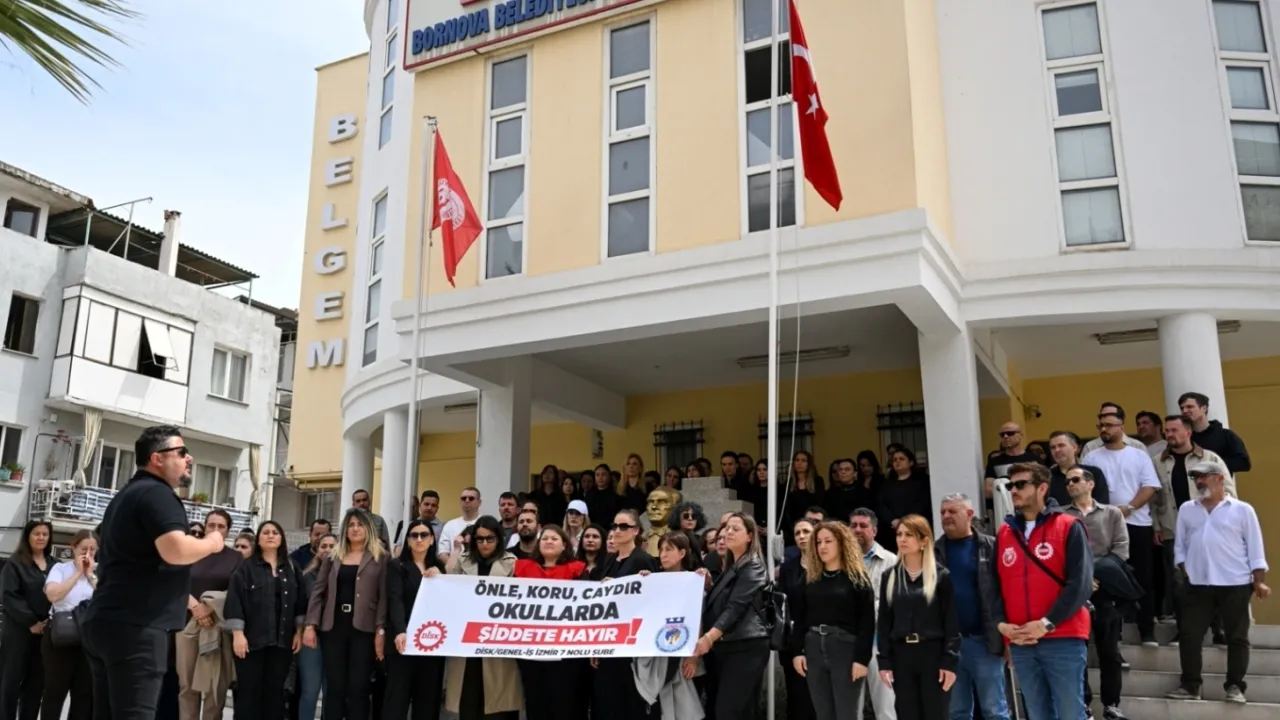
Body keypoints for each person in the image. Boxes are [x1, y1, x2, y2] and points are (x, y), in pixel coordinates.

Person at [81, 425, 227, 720]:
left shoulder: (127, 495)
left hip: (109, 621)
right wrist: (213, 542)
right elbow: (176, 550)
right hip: (136, 626)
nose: (189, 458)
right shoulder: (157, 494)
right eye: (182, 452)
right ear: (157, 458)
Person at [991, 463, 1093, 720]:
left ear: (1042, 488)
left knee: (1070, 714)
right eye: (1011, 485)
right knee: (1037, 714)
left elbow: (1080, 584)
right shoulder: (1005, 532)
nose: (1013, 490)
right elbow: (993, 584)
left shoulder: (1069, 525)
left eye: (1021, 484)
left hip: (1063, 638)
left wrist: (1046, 623)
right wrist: (1002, 625)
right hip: (1021, 640)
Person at [1166, 460, 1270, 703]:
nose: (1199, 481)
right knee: (1190, 635)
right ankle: (1190, 685)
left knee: (1237, 637)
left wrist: (1259, 581)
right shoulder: (1187, 509)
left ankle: (1235, 686)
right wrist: (1185, 571)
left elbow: (1255, 548)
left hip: (1235, 582)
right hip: (1198, 584)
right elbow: (1180, 546)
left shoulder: (1242, 509)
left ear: (1220, 478)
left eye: (1204, 476)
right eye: (1196, 477)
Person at [1083, 411, 1162, 647]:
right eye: (1100, 425)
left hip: (1137, 523)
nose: (1103, 429)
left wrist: (1129, 508)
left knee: (1143, 577)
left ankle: (1146, 630)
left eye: (1108, 425)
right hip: (1103, 526)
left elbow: (1150, 486)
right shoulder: (1092, 457)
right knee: (1107, 578)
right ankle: (1113, 632)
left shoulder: (1138, 455)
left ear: (1121, 427)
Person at [304, 508, 388, 720]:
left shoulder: (381, 557)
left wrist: (381, 629)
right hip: (334, 627)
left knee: (358, 687)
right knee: (335, 687)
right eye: (351, 525)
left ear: (368, 528)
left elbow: (384, 596)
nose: (355, 529)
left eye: (360, 524)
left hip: (364, 629)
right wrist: (310, 625)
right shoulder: (333, 556)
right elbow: (318, 591)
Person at [1062, 466, 1132, 720]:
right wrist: (1082, 579)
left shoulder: (1112, 513)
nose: (1070, 484)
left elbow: (1121, 549)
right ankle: (1083, 704)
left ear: (1090, 484)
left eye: (1075, 479)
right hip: (1074, 590)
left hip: (1105, 589)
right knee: (1076, 650)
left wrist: (1097, 576)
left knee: (1109, 651)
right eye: (1067, 481)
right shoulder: (1061, 516)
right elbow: (1059, 554)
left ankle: (1112, 704)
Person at [877, 515, 960, 720]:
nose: (902, 539)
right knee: (906, 713)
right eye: (899, 534)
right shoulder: (890, 576)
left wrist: (949, 661)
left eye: (909, 535)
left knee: (935, 713)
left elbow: (951, 622)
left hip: (932, 653)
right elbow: (885, 622)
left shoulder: (941, 576)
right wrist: (884, 661)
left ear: (924, 540)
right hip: (901, 655)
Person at [791, 521, 875, 720]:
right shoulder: (809, 579)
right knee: (823, 714)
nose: (822, 546)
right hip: (813, 646)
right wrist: (797, 652)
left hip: (845, 647)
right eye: (818, 542)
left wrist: (862, 659)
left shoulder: (858, 579)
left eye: (828, 541)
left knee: (847, 714)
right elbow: (799, 618)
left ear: (841, 543)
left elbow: (867, 622)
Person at [934, 495, 1008, 720]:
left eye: (952, 511)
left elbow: (1004, 593)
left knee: (995, 711)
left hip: (984, 642)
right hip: (948, 646)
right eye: (943, 512)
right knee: (956, 712)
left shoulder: (991, 546)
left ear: (969, 514)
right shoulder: (933, 551)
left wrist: (1007, 640)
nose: (946, 516)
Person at [225, 521, 304, 720]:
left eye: (275, 532)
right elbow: (234, 600)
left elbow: (300, 601)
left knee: (275, 692)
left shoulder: (292, 567)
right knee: (248, 691)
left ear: (281, 538)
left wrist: (299, 631)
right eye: (265, 532)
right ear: (258, 540)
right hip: (251, 640)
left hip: (282, 641)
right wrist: (238, 634)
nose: (270, 535)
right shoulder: (246, 568)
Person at [696, 512, 770, 720]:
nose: (728, 532)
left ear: (750, 536)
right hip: (728, 647)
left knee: (728, 711)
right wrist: (709, 586)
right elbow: (720, 604)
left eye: (735, 529)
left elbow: (735, 608)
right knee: (739, 711)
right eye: (727, 528)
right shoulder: (732, 566)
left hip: (746, 647)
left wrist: (708, 638)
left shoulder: (753, 566)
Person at [445, 516, 521, 720]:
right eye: (480, 539)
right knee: (468, 699)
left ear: (498, 539)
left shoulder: (512, 562)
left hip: (497, 641)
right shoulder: (463, 560)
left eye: (490, 539)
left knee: (498, 704)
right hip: (467, 641)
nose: (485, 543)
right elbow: (447, 586)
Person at [592, 510, 659, 719]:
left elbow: (652, 601)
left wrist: (621, 586)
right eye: (615, 526)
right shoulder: (610, 560)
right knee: (607, 701)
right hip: (609, 641)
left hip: (631, 645)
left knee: (629, 703)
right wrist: (596, 645)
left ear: (636, 531)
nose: (617, 531)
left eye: (623, 526)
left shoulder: (643, 560)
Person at [515, 525, 587, 720]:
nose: (548, 541)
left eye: (554, 539)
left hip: (566, 651)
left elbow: (590, 603)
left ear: (564, 545)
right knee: (535, 699)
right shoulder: (523, 569)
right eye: (545, 538)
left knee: (565, 700)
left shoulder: (577, 570)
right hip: (531, 649)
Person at [177, 509, 242, 720]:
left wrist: (209, 606)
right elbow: (175, 582)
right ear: (205, 527)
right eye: (211, 525)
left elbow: (237, 591)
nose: (215, 529)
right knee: (187, 686)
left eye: (221, 526)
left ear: (228, 531)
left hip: (218, 627)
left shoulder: (236, 558)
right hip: (187, 624)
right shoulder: (191, 552)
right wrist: (195, 607)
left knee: (215, 687)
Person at [385, 520, 446, 720]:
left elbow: (447, 603)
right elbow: (395, 600)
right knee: (397, 700)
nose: (419, 539)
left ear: (432, 539)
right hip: (404, 642)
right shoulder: (396, 566)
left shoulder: (439, 568)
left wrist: (441, 579)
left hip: (431, 644)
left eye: (424, 535)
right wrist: (400, 631)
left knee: (427, 702)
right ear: (408, 540)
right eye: (414, 535)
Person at [0, 520, 54, 720]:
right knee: (10, 682)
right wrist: (31, 622)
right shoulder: (15, 564)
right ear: (27, 536)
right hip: (18, 632)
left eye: (45, 534)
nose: (41, 538)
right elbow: (9, 596)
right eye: (36, 534)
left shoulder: (55, 565)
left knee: (36, 684)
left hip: (44, 634)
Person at [41, 529, 97, 720]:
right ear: (73, 547)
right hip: (61, 636)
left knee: (84, 694)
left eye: (92, 550)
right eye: (83, 549)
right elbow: (53, 595)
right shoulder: (60, 569)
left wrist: (90, 575)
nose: (87, 554)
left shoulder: (100, 572)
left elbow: (107, 600)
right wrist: (78, 573)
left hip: (88, 639)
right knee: (55, 690)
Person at [849, 508, 897, 720]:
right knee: (851, 710)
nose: (857, 530)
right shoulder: (840, 561)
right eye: (853, 525)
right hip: (850, 644)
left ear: (874, 531)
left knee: (886, 709)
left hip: (880, 645)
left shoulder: (891, 561)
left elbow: (894, 604)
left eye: (863, 525)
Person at [294, 533, 335, 720]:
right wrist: (303, 629)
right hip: (311, 638)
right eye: (323, 546)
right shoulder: (307, 577)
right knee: (310, 691)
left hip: (336, 637)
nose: (327, 550)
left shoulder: (346, 575)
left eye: (332, 546)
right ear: (317, 550)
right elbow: (300, 607)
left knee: (331, 691)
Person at [780, 518, 817, 720]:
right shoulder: (788, 568)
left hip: (822, 638)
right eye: (797, 533)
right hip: (794, 640)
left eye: (806, 532)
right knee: (797, 699)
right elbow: (783, 604)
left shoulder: (829, 564)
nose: (801, 536)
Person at [876, 448, 932, 549]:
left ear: (910, 463)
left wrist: (904, 521)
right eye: (895, 460)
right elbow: (881, 505)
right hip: (891, 531)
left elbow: (922, 504)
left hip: (914, 528)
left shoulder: (921, 482)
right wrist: (892, 520)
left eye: (901, 459)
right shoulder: (886, 484)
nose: (897, 461)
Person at [439, 488, 483, 564]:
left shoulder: (486, 524)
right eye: (463, 498)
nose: (467, 500)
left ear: (479, 502)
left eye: (471, 498)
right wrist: (456, 567)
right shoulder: (449, 525)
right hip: (454, 569)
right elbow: (443, 553)